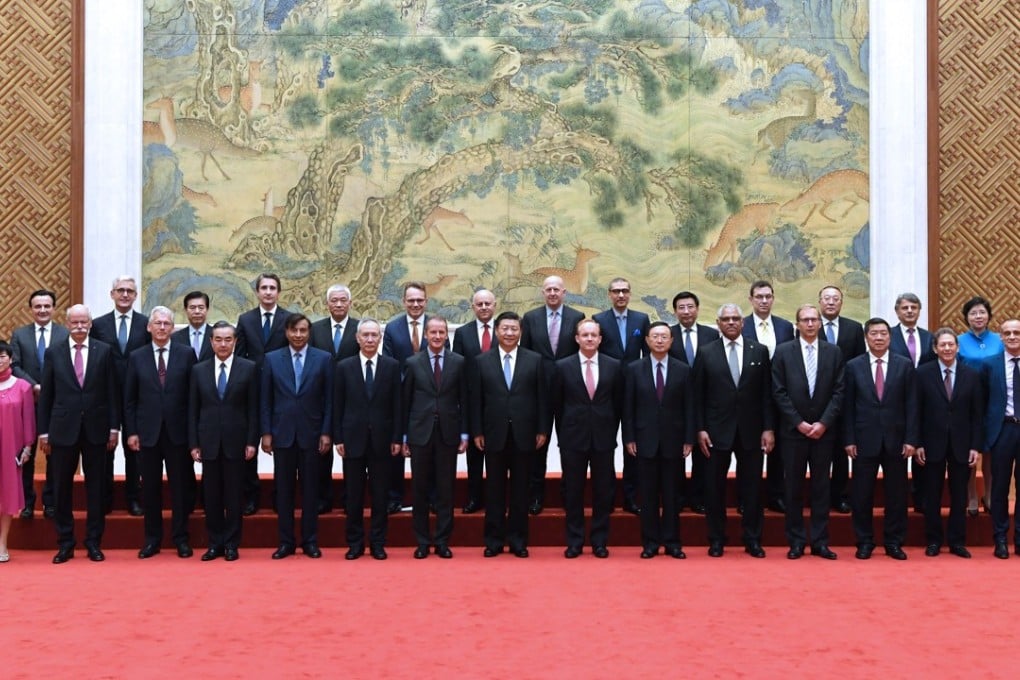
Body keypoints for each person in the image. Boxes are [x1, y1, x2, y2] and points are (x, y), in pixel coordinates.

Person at [38, 305, 119, 563]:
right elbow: (47, 395)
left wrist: (114, 427)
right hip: (62, 430)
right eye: (75, 322)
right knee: (62, 488)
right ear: (68, 323)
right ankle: (65, 543)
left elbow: (112, 392)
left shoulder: (104, 351)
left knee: (96, 489)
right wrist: (43, 432)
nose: (80, 326)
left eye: (84, 321)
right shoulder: (54, 352)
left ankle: (94, 542)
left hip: (96, 429)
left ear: (91, 323)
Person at [693, 304, 773, 558]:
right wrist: (700, 429)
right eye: (725, 319)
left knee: (752, 488)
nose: (730, 322)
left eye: (735, 318)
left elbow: (766, 394)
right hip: (716, 431)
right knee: (713, 489)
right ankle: (717, 539)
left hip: (751, 431)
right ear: (717, 323)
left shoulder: (758, 350)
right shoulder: (706, 352)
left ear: (742, 322)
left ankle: (752, 539)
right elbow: (698, 395)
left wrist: (768, 428)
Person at [470, 311, 549, 558]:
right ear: (496, 331)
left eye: (514, 329)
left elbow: (542, 400)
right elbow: (476, 401)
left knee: (520, 491)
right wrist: (477, 431)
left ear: (520, 332)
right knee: (493, 490)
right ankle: (493, 541)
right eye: (504, 329)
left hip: (524, 434)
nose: (509, 333)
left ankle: (518, 541)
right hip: (493, 435)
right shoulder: (481, 361)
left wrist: (542, 429)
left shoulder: (534, 360)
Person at [123, 306, 198, 559]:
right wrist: (131, 432)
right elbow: (130, 399)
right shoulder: (137, 356)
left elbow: (194, 398)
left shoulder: (187, 354)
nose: (162, 328)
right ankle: (152, 540)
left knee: (180, 489)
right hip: (147, 434)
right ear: (149, 327)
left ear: (173, 327)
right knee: (150, 490)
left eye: (167, 323)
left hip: (178, 434)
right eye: (158, 323)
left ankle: (181, 538)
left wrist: (193, 435)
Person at [842, 318, 919, 560]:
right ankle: (864, 541)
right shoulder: (853, 366)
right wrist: (849, 439)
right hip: (864, 440)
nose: (878, 337)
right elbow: (848, 407)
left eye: (883, 333)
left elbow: (912, 406)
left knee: (896, 494)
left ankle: (894, 541)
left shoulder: (904, 365)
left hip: (897, 440)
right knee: (861, 494)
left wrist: (911, 439)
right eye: (873, 333)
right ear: (866, 337)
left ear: (890, 337)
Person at [771, 304, 844, 560]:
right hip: (793, 432)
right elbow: (778, 391)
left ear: (820, 324)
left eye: (814, 320)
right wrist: (798, 422)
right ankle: (796, 541)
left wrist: (823, 423)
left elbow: (839, 391)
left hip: (824, 432)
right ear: (797, 324)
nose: (811, 324)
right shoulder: (783, 352)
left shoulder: (833, 352)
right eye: (805, 320)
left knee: (821, 488)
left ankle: (821, 542)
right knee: (792, 488)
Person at [260, 314, 332, 559]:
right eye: (294, 330)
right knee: (284, 491)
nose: (298, 335)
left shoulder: (323, 359)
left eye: (303, 330)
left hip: (312, 435)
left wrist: (325, 432)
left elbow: (329, 400)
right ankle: (286, 542)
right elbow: (265, 400)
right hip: (282, 435)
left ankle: (310, 541)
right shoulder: (271, 359)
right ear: (287, 332)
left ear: (309, 332)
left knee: (311, 491)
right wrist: (266, 432)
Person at [551, 319, 623, 558]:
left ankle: (600, 541)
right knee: (573, 490)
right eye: (585, 335)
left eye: (594, 335)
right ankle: (575, 541)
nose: (590, 338)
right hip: (573, 438)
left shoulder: (614, 366)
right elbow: (557, 405)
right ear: (577, 338)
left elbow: (618, 404)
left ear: (600, 339)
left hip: (603, 438)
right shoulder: (562, 366)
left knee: (603, 491)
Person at [622, 322, 694, 559]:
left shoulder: (683, 370)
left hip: (674, 441)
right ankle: (650, 543)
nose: (660, 340)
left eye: (665, 336)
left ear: (672, 341)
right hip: (644, 441)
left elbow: (689, 408)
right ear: (647, 340)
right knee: (649, 494)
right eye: (655, 336)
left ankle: (673, 542)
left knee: (673, 495)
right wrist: (629, 437)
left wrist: (688, 439)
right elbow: (628, 408)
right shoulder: (634, 369)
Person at [188, 321, 259, 561]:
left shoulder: (248, 368)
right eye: (218, 339)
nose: (223, 344)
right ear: (211, 342)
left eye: (228, 339)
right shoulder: (199, 370)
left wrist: (252, 442)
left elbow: (253, 409)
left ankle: (231, 544)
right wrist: (194, 443)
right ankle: (214, 543)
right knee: (212, 496)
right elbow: (193, 410)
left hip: (237, 442)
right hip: (208, 442)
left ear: (235, 341)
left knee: (234, 495)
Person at [334, 319, 402, 560]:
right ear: (357, 338)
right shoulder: (344, 367)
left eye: (374, 335)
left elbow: (397, 405)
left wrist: (397, 437)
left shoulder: (392, 366)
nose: (370, 339)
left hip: (383, 441)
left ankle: (378, 543)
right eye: (366, 335)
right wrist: (338, 437)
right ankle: (354, 543)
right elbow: (337, 405)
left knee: (380, 494)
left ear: (380, 338)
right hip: (352, 440)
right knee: (353, 495)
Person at [402, 316, 468, 559]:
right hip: (420, 433)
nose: (438, 336)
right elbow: (405, 401)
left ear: (446, 335)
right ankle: (421, 541)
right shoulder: (412, 363)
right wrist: (404, 436)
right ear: (426, 335)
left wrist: (464, 433)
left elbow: (465, 400)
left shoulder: (459, 362)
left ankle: (442, 541)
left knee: (445, 490)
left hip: (448, 434)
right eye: (433, 332)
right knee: (419, 489)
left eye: (442, 332)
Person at [916, 328, 984, 558]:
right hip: (931, 443)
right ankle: (933, 540)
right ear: (935, 349)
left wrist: (975, 446)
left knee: (959, 495)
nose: (946, 349)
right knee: (932, 494)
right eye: (942, 345)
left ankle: (957, 541)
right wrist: (918, 443)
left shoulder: (971, 375)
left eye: (950, 345)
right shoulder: (922, 374)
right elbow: (916, 412)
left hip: (962, 444)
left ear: (957, 347)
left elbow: (977, 415)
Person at [520, 275, 583, 515]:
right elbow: (525, 354)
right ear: (543, 293)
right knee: (538, 448)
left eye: (557, 289)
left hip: (570, 394)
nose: (553, 293)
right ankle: (535, 496)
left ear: (564, 292)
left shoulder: (576, 317)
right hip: (539, 394)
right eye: (549, 289)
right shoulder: (531, 318)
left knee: (569, 447)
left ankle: (569, 495)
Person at [89, 275, 150, 517]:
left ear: (135, 296)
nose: (125, 295)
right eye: (120, 290)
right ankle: (105, 499)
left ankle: (134, 498)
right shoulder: (98, 324)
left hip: (137, 397)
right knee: (106, 449)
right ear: (112, 294)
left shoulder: (146, 324)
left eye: (129, 291)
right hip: (106, 396)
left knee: (134, 450)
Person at [235, 273, 291, 516]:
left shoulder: (289, 318)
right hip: (250, 391)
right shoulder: (245, 320)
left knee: (282, 447)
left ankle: (281, 495)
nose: (268, 292)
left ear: (279, 292)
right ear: (257, 292)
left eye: (273, 288)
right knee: (249, 446)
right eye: (264, 288)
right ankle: (250, 496)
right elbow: (239, 355)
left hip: (281, 392)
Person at [10, 289, 68, 519]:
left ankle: (50, 501)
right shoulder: (20, 334)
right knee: (27, 453)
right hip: (29, 403)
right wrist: (34, 385)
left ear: (54, 308)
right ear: (31, 309)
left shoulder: (64, 334)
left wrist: (51, 389)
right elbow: (14, 366)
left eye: (47, 306)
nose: (43, 310)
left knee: (56, 456)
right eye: (38, 306)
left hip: (57, 405)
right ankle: (26, 502)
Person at [592, 278, 648, 516]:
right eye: (616, 291)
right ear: (609, 294)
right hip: (607, 391)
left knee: (632, 446)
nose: (621, 295)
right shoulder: (599, 320)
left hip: (636, 392)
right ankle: (605, 497)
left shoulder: (641, 319)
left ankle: (631, 497)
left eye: (625, 290)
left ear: (630, 293)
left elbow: (648, 353)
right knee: (604, 445)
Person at [742, 280, 794, 513]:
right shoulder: (740, 325)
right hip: (749, 399)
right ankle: (748, 499)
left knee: (779, 450)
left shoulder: (785, 327)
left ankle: (776, 495)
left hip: (780, 396)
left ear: (773, 298)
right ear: (751, 299)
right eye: (759, 297)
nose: (764, 301)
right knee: (749, 450)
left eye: (768, 296)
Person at [382, 281, 433, 514]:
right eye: (411, 300)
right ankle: (394, 497)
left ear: (426, 301)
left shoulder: (435, 326)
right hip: (399, 398)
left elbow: (443, 360)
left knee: (428, 449)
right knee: (395, 448)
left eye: (419, 300)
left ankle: (430, 498)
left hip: (429, 398)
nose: (415, 304)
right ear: (404, 302)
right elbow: (390, 364)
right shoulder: (392, 329)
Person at [309, 283, 360, 515]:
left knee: (351, 451)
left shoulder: (360, 329)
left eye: (343, 300)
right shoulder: (315, 329)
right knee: (321, 451)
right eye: (334, 300)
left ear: (350, 303)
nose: (338, 304)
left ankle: (351, 498)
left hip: (353, 400)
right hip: (319, 398)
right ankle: (322, 498)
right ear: (327, 303)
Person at [668, 290, 720, 514]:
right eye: (681, 307)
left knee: (703, 451)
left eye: (690, 307)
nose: (686, 311)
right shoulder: (666, 334)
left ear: (697, 309)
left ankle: (699, 497)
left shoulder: (711, 334)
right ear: (675, 311)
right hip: (673, 403)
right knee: (674, 451)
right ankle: (677, 497)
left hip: (705, 400)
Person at [817, 285, 866, 514]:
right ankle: (820, 495)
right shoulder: (809, 326)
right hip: (815, 401)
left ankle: (840, 495)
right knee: (818, 453)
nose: (830, 302)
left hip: (845, 400)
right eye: (826, 298)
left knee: (840, 451)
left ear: (841, 302)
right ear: (820, 302)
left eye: (835, 299)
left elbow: (858, 366)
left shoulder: (854, 328)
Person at [888, 292, 936, 515]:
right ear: (897, 311)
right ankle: (898, 499)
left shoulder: (929, 338)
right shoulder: (887, 335)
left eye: (914, 307)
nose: (909, 311)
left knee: (921, 448)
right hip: (894, 401)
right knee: (897, 451)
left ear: (919, 311)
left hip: (925, 401)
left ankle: (920, 497)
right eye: (905, 307)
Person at [452, 288, 497, 513]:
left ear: (495, 305)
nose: (484, 307)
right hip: (472, 403)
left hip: (499, 403)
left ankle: (495, 499)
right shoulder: (462, 333)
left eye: (488, 303)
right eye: (479, 304)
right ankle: (474, 497)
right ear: (473, 307)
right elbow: (457, 368)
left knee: (498, 455)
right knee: (475, 455)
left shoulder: (505, 331)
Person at [956, 295, 1002, 516]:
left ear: (989, 315)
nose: (978, 316)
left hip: (994, 403)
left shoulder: (1000, 341)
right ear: (966, 317)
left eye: (982, 312)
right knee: (969, 452)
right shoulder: (958, 341)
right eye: (973, 313)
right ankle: (972, 496)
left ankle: (990, 495)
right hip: (966, 404)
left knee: (991, 450)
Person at [983, 318, 1020, 559]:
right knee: (999, 488)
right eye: (1007, 333)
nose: (1012, 336)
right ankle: (1000, 538)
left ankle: (1019, 537)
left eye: (1016, 332)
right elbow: (982, 403)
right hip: (1002, 430)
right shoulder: (990, 365)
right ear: (1001, 338)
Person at [0, 342, 35, 562]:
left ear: (10, 359)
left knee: (7, 497)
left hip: (10, 451)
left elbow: (29, 420)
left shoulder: (23, 386)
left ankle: (2, 543)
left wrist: (28, 447)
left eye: (2, 356)